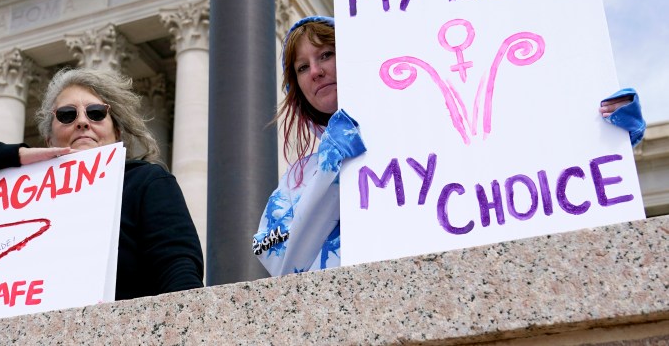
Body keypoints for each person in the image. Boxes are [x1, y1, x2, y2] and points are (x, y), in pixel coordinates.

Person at [253, 15, 646, 277]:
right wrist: (329, 170)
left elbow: (520, 159)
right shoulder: (295, 180)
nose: (316, 71)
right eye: (303, 67)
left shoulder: (428, 125)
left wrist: (605, 128)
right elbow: (280, 261)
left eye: (326, 54)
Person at [0, 67, 204, 300]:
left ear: (117, 131)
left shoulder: (145, 181)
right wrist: (15, 157)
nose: (82, 122)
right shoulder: (28, 190)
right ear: (49, 139)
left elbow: (178, 267)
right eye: (67, 115)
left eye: (96, 113)